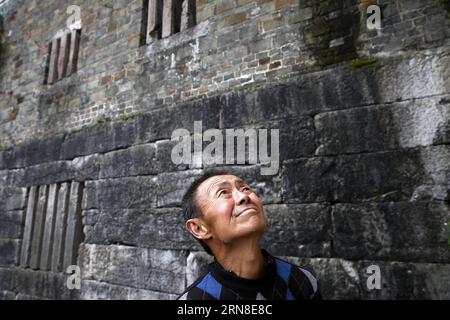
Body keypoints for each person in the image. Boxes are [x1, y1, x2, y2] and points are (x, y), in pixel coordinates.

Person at [177, 170, 322, 300]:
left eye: (245, 188)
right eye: (223, 192)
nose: (243, 196)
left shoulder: (303, 282)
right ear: (199, 228)